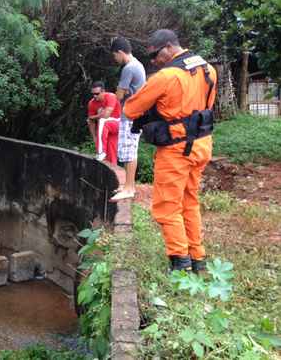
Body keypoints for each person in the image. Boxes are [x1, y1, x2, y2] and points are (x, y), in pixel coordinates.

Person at [123, 29, 217, 272]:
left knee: (167, 206)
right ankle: (198, 259)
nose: (153, 61)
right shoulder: (208, 69)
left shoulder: (166, 77)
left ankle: (180, 263)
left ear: (167, 47)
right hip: (202, 145)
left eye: (155, 55)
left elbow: (130, 110)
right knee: (189, 201)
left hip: (176, 150)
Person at [110, 36, 147, 201]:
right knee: (128, 150)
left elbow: (119, 95)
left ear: (119, 52)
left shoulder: (129, 68)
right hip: (136, 113)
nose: (115, 59)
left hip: (131, 115)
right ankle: (127, 185)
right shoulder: (138, 64)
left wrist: (116, 93)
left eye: (114, 56)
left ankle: (129, 188)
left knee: (129, 152)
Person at [86, 81, 121, 164]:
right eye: (93, 94)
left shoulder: (111, 96)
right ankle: (112, 169)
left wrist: (93, 117)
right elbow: (91, 122)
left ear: (103, 91)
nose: (95, 96)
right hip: (107, 129)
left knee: (103, 121)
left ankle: (100, 152)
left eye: (97, 94)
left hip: (118, 123)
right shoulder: (91, 103)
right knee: (111, 154)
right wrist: (94, 137)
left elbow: (106, 115)